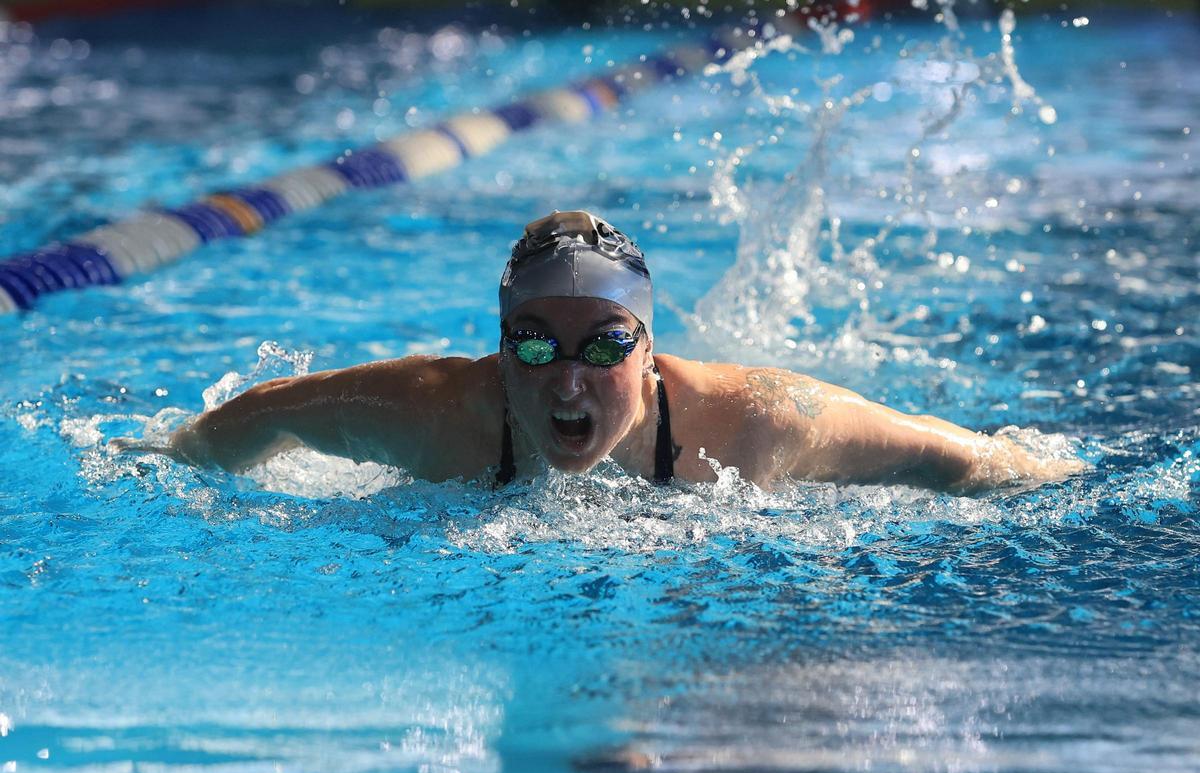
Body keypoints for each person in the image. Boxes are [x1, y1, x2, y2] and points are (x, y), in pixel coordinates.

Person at [114, 210, 1082, 493]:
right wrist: (159, 467)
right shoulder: (424, 410)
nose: (568, 379)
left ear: (651, 351)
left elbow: (955, 455)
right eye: (533, 346)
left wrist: (1058, 480)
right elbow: (254, 418)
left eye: (604, 344)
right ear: (497, 351)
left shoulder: (760, 422)